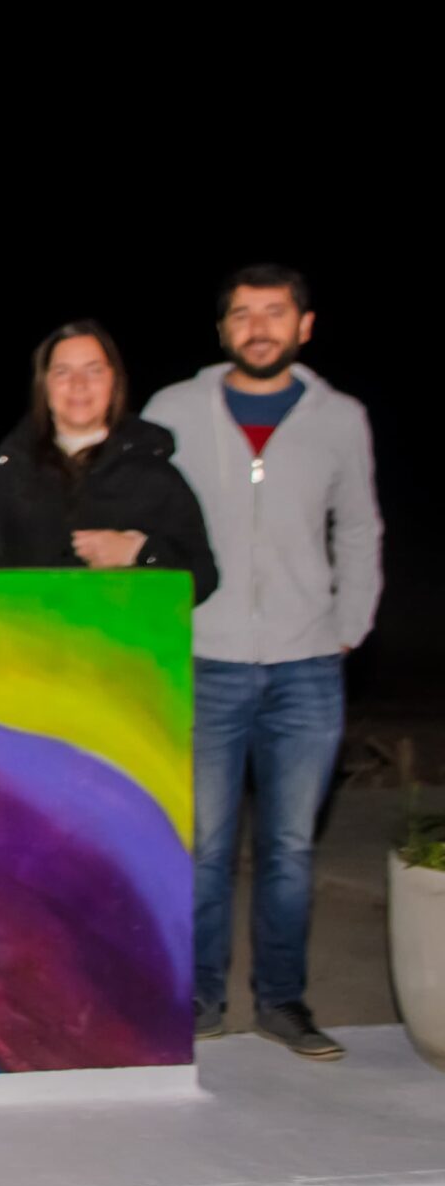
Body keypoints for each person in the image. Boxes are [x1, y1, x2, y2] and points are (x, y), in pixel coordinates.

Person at [145, 265, 382, 1060]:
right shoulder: (173, 410)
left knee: (289, 849)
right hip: (205, 658)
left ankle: (283, 1001)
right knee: (205, 847)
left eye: (274, 312)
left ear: (304, 325)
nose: (258, 327)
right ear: (222, 329)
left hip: (306, 664)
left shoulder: (339, 417)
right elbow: (142, 510)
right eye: (242, 313)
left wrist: (349, 624)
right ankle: (201, 999)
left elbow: (359, 526)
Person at [0, 322, 217, 601]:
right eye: (62, 372)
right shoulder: (0, 474)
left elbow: (202, 579)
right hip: (24, 629)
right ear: (44, 385)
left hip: (122, 631)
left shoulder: (156, 476)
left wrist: (140, 552)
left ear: (114, 381)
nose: (78, 384)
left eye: (94, 371)